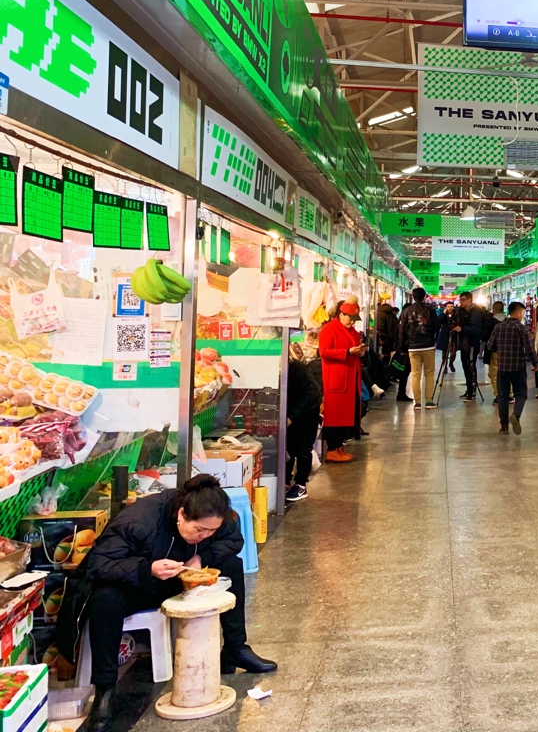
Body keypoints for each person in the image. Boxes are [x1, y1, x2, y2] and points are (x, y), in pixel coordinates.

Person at [69, 475, 275, 732]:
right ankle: (105, 690)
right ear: (181, 515)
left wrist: (202, 557)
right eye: (199, 530)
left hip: (178, 580)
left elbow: (233, 541)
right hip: (138, 585)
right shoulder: (139, 520)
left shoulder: (214, 515)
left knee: (232, 564)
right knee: (105, 598)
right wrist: (148, 569)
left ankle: (235, 648)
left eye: (211, 531)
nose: (205, 535)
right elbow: (99, 564)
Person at [318, 301, 367, 463]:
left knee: (346, 415)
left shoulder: (353, 332)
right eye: (350, 318)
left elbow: (354, 350)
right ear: (341, 314)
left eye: (354, 319)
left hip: (350, 378)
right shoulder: (328, 330)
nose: (352, 322)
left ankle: (339, 447)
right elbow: (324, 352)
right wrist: (347, 352)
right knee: (335, 415)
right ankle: (333, 450)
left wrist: (360, 352)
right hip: (336, 379)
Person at [486, 302, 537, 434]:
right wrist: (535, 363)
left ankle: (504, 426)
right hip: (518, 367)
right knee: (520, 394)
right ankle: (516, 415)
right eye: (523, 313)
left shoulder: (498, 327)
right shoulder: (521, 328)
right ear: (518, 312)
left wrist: (501, 348)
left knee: (502, 396)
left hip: (502, 367)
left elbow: (490, 345)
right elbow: (529, 348)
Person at [285, 339, 322, 503]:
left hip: (308, 411)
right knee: (287, 447)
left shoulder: (297, 369)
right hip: (292, 411)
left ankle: (301, 484)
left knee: (303, 448)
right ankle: (286, 481)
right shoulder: (279, 370)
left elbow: (309, 394)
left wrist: (291, 417)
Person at [397, 287, 440, 410]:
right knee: (429, 374)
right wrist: (434, 339)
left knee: (416, 375)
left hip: (413, 348)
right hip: (428, 346)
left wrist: (401, 348)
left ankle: (418, 402)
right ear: (424, 297)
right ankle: (429, 401)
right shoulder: (430, 310)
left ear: (413, 296)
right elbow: (437, 327)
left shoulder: (406, 311)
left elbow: (401, 330)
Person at [454, 292, 489, 401]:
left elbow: (476, 329)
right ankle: (469, 390)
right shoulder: (462, 311)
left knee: (471, 367)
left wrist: (462, 329)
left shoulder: (475, 312)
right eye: (460, 300)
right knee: (466, 367)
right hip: (464, 343)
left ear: (469, 300)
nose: (461, 302)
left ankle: (472, 392)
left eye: (463, 300)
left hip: (472, 344)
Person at [486, 301, 506, 403]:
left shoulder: (490, 321)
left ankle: (498, 394)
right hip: (507, 352)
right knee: (507, 373)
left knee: (494, 373)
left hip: (495, 351)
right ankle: (510, 394)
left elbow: (485, 336)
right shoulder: (508, 321)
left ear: (493, 309)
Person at [374, 298, 398, 370]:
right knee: (386, 355)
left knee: (377, 354)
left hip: (377, 338)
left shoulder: (376, 313)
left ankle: (378, 370)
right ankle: (385, 370)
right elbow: (393, 329)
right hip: (387, 339)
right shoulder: (391, 315)